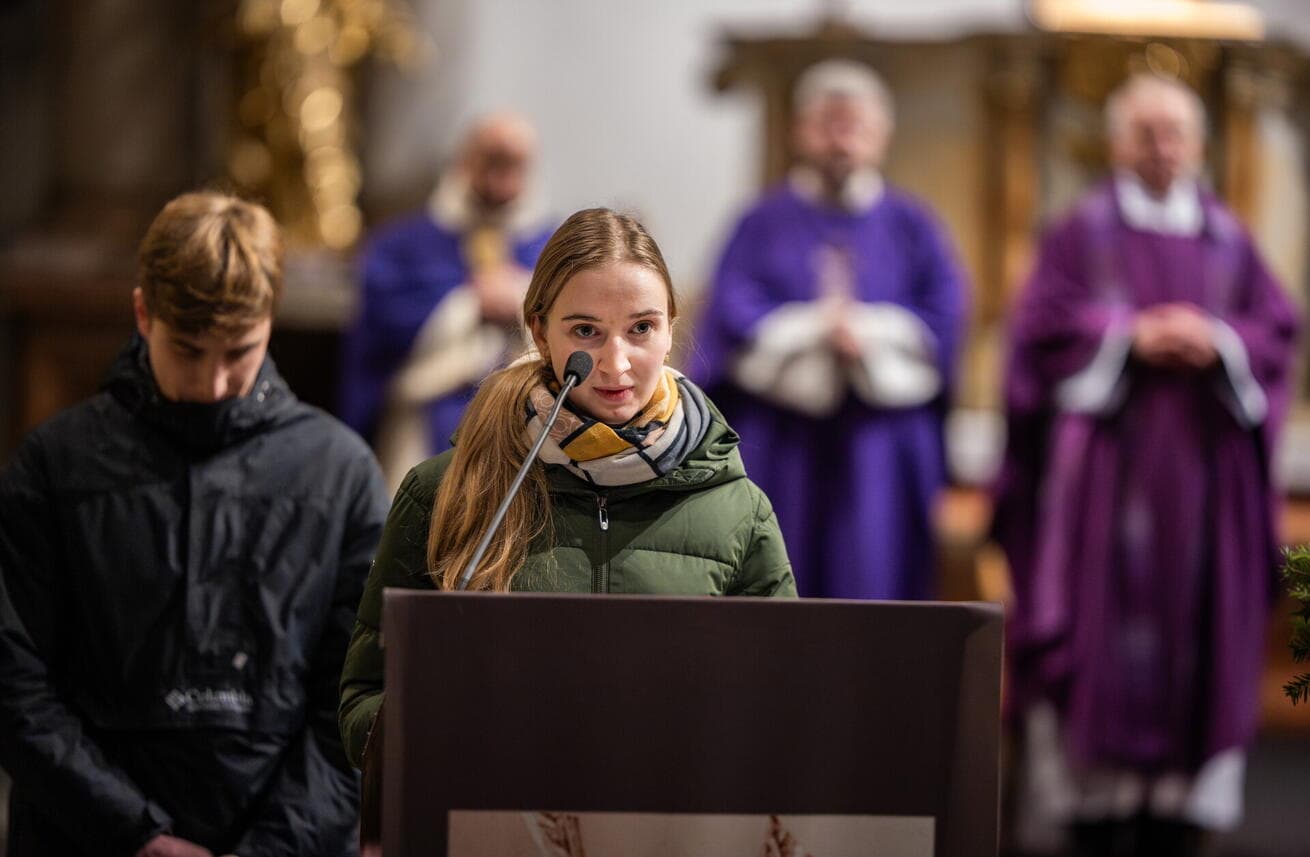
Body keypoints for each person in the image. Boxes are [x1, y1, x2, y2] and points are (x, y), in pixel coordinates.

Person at [339, 207, 797, 773]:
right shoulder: (443, 492)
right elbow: (363, 702)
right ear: (539, 331)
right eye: (586, 331)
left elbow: (784, 706)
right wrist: (436, 719)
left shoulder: (739, 509)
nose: (616, 363)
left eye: (642, 328)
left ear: (671, 329)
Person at [0, 192, 389, 857]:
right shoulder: (53, 464)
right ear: (142, 312)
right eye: (188, 349)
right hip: (87, 838)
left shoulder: (342, 473)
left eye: (238, 352)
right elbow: (13, 680)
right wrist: (136, 833)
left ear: (270, 319)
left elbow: (358, 702)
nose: (213, 384)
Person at [993, 74, 1300, 856]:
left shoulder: (1229, 238)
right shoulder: (1079, 234)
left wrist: (1219, 340)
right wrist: (1125, 336)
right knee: (1101, 628)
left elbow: (1275, 332)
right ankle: (1098, 803)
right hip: (1106, 483)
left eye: (1176, 132)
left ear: (1199, 145)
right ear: (1117, 144)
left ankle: (1179, 804)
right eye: (1146, 132)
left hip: (1206, 481)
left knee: (1197, 632)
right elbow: (1038, 336)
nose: (1163, 148)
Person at [688, 59, 968, 601]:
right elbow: (728, 315)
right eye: (827, 122)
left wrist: (872, 334)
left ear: (882, 135)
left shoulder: (913, 225)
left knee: (876, 588)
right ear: (799, 131)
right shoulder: (760, 223)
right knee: (778, 582)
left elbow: (944, 316)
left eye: (856, 124)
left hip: (881, 445)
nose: (842, 138)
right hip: (783, 440)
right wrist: (813, 330)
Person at [339, 111, 555, 491]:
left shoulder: (551, 247)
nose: (502, 175)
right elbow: (381, 327)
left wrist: (522, 299)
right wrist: (469, 303)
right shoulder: (401, 245)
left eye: (515, 163)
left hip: (521, 428)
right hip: (423, 421)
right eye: (491, 159)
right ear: (464, 160)